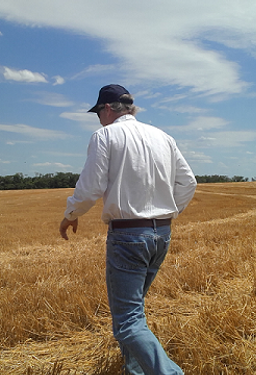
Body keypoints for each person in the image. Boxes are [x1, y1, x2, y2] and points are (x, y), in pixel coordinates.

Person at [59, 84, 197, 375]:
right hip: (162, 235)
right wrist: (166, 214)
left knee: (128, 321)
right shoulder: (163, 136)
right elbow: (188, 183)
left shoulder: (105, 135)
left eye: (98, 113)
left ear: (107, 109)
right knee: (134, 312)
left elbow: (90, 187)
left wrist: (71, 213)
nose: (98, 119)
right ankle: (133, 371)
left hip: (128, 237)